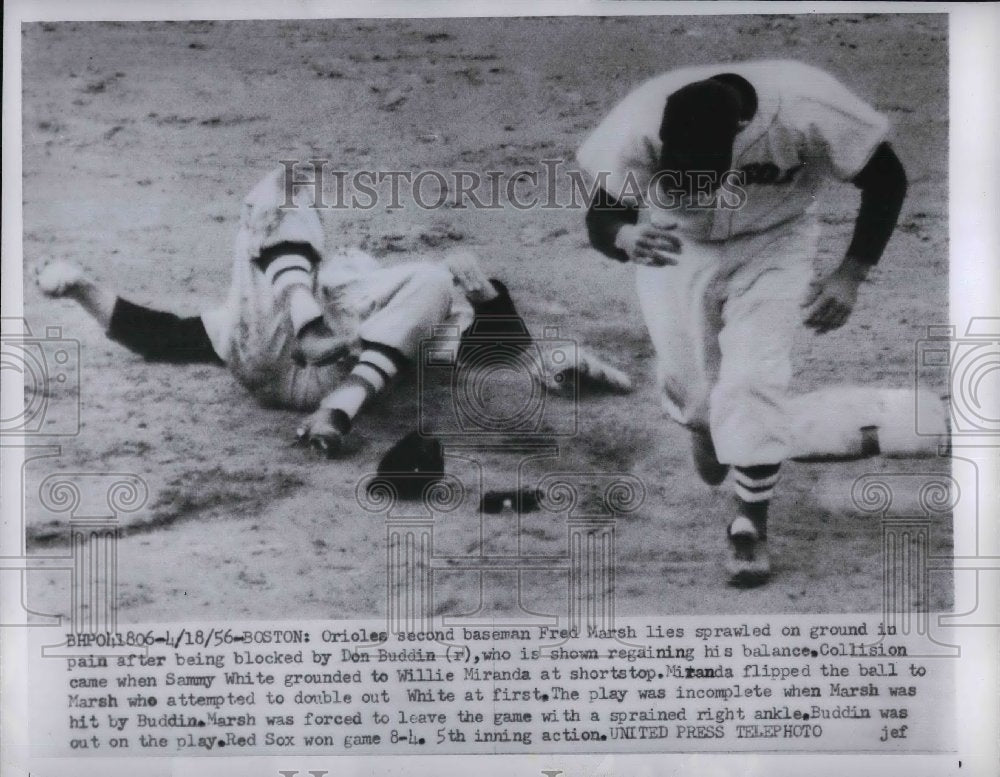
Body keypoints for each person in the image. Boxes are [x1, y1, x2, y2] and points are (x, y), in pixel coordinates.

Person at [577, 60, 947, 586]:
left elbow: (887, 178)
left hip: (777, 243)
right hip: (677, 249)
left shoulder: (808, 108)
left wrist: (850, 275)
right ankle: (706, 424)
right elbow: (601, 218)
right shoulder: (635, 122)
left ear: (739, 134)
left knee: (754, 378)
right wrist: (623, 237)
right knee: (699, 402)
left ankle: (750, 523)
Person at [39, 167, 632, 457]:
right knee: (288, 190)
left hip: (323, 371)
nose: (350, 253)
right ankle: (310, 322)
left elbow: (495, 348)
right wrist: (82, 288)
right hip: (279, 343)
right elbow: (159, 335)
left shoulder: (411, 301)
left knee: (427, 278)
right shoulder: (313, 286)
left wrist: (490, 298)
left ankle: (336, 394)